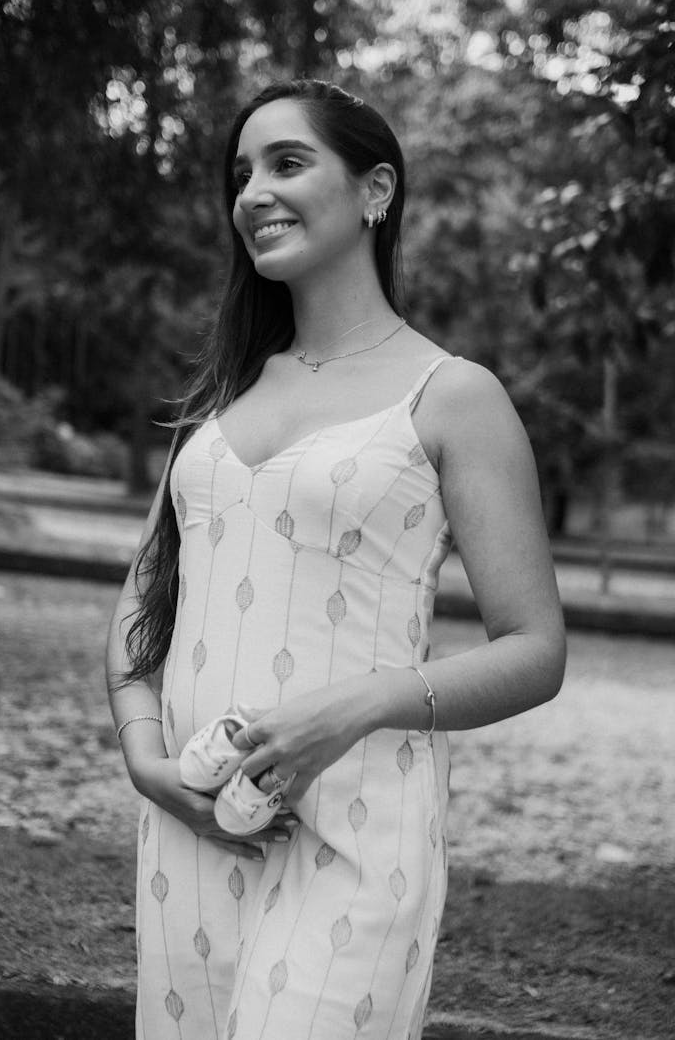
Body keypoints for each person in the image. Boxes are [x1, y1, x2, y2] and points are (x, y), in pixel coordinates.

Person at [106, 78, 566, 1040]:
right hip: (189, 829)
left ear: (375, 190)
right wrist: (149, 764)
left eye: (287, 162)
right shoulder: (219, 397)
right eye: (241, 175)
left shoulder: (452, 395)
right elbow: (142, 603)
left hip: (358, 838)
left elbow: (534, 649)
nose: (253, 194)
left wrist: (346, 710)